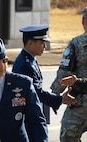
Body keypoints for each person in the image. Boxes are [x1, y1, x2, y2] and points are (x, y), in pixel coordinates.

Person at [12, 24, 76, 123]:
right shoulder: (25, 64)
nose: (45, 46)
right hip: (28, 116)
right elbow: (36, 92)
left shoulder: (30, 59)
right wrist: (60, 99)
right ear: (30, 43)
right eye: (42, 42)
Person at [51, 7, 87, 142]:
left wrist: (54, 96)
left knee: (68, 137)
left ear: (83, 20)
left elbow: (64, 74)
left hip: (79, 103)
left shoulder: (76, 44)